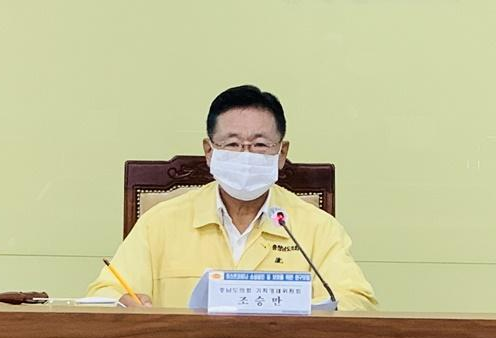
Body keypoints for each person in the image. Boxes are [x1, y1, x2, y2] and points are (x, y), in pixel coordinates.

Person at [88, 85, 377, 310]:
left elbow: (356, 301)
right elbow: (105, 295)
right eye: (233, 144)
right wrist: (123, 303)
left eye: (260, 144)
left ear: (282, 153)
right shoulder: (161, 222)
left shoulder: (316, 227)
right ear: (209, 151)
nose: (246, 155)